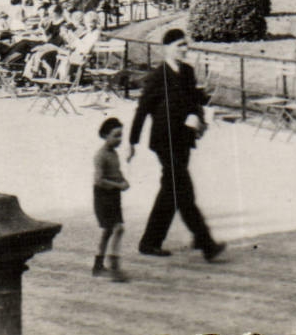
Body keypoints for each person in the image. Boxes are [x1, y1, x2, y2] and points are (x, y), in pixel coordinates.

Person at [129, 28, 224, 261]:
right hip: (164, 142)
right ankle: (205, 242)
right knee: (182, 190)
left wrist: (200, 113)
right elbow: (142, 110)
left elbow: (193, 100)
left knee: (172, 192)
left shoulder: (188, 72)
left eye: (186, 45)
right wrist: (131, 142)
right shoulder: (157, 76)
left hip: (184, 140)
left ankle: (151, 242)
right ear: (167, 48)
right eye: (179, 45)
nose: (184, 49)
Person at [93, 117, 131, 282]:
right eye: (116, 135)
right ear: (105, 135)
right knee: (116, 228)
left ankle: (100, 265)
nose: (119, 139)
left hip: (114, 196)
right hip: (103, 196)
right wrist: (118, 185)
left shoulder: (114, 154)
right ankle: (112, 265)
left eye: (121, 135)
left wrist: (124, 181)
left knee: (110, 230)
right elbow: (99, 180)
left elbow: (117, 171)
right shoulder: (100, 155)